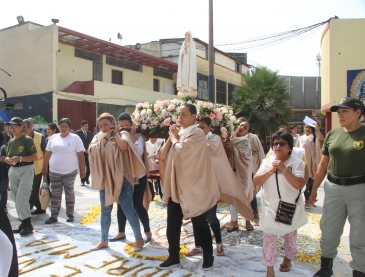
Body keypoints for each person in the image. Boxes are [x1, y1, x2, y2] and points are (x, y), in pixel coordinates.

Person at [158, 104, 219, 270]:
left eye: (184, 114)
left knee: (199, 222)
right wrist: (172, 137)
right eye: (179, 114)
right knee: (173, 223)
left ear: (193, 117)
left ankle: (208, 254)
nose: (181, 117)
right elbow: (162, 155)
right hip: (176, 185)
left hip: (192, 186)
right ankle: (173, 256)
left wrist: (175, 137)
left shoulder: (197, 133)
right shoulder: (178, 133)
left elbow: (182, 152)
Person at [310, 97, 365, 277]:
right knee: (329, 229)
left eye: (345, 111)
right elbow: (323, 165)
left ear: (358, 113)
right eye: (338, 111)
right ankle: (326, 267)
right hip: (333, 188)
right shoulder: (333, 134)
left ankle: (359, 270)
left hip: (359, 189)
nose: (340, 115)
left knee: (360, 235)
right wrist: (313, 190)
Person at [192, 116, 253, 257]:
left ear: (209, 128)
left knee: (211, 217)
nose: (199, 130)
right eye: (197, 127)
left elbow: (208, 153)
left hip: (212, 183)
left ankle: (219, 243)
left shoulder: (214, 139)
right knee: (195, 215)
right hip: (196, 182)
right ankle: (197, 245)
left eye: (202, 127)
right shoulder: (193, 138)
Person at [88, 113, 145, 252]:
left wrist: (115, 134)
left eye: (106, 124)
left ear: (113, 122)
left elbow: (124, 146)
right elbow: (90, 150)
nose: (103, 128)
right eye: (101, 126)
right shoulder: (98, 137)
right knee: (105, 210)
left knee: (128, 208)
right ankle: (104, 240)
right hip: (106, 179)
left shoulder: (122, 134)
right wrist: (103, 139)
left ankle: (139, 238)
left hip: (122, 178)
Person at [253, 131, 307, 277]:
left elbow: (298, 184)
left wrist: (283, 169)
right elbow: (256, 181)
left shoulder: (298, 163)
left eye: (282, 143)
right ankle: (270, 271)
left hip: (289, 208)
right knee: (269, 239)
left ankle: (288, 259)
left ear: (290, 147)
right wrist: (271, 170)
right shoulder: (267, 162)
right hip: (270, 207)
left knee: (290, 237)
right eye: (275, 143)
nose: (278, 146)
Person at [110, 113, 152, 243]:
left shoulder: (139, 136)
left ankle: (147, 232)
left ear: (132, 125)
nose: (123, 128)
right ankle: (121, 232)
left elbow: (138, 151)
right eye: (121, 126)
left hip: (139, 175)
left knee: (137, 205)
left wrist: (131, 136)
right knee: (121, 204)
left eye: (126, 125)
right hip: (124, 175)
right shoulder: (116, 135)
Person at [42, 118, 85, 224]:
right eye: (61, 126)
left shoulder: (75, 138)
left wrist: (83, 171)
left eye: (66, 126)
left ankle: (70, 214)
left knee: (69, 192)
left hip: (70, 171)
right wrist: (44, 167)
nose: (63, 128)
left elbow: (81, 155)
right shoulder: (53, 138)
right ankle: (54, 216)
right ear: (58, 127)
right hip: (54, 171)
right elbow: (47, 153)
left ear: (69, 128)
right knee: (55, 193)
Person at [5, 117, 38, 236]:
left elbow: (35, 156)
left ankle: (28, 224)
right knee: (14, 197)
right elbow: (9, 156)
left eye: (14, 126)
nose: (11, 128)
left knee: (22, 197)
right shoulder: (11, 141)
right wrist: (8, 160)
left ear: (21, 126)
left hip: (26, 169)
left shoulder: (27, 140)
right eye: (10, 126)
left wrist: (19, 158)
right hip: (14, 169)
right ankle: (23, 223)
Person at [225, 119, 254, 232]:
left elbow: (246, 159)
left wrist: (233, 149)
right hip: (233, 173)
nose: (241, 128)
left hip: (243, 176)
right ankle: (235, 223)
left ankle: (248, 221)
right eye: (241, 125)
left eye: (245, 127)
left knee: (244, 198)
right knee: (233, 198)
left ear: (247, 133)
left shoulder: (245, 142)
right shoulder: (231, 139)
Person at [22, 119, 47, 215]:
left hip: (37, 168)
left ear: (31, 127)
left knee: (32, 189)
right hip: (24, 168)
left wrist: (45, 167)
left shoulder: (39, 137)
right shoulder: (21, 137)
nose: (23, 131)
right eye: (22, 129)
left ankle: (27, 210)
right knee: (31, 189)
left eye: (25, 129)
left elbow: (45, 152)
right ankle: (40, 207)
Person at [298, 123, 324, 208]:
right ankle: (307, 199)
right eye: (306, 127)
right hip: (304, 163)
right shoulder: (301, 139)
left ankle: (311, 195)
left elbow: (322, 140)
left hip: (314, 164)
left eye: (309, 127)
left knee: (312, 182)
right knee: (305, 182)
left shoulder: (315, 138)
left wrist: (317, 129)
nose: (307, 129)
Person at [176, 31, 197, 99]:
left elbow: (192, 53)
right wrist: (184, 49)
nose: (186, 36)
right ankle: (184, 87)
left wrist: (187, 49)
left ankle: (189, 88)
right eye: (185, 35)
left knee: (188, 74)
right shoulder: (183, 43)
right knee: (184, 74)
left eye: (188, 35)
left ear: (190, 36)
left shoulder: (192, 44)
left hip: (189, 63)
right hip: (184, 61)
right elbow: (181, 53)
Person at [76, 120, 93, 186]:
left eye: (87, 126)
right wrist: (83, 150)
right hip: (81, 152)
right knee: (82, 166)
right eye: (85, 126)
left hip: (88, 152)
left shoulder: (89, 133)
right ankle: (82, 180)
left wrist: (89, 149)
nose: (87, 127)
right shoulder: (78, 133)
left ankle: (87, 178)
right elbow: (77, 143)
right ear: (81, 126)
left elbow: (91, 142)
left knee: (89, 166)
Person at [0, 137, 10, 214]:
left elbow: (8, 159)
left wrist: (5, 159)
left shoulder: (5, 147)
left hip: (4, 173)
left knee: (3, 190)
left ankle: (3, 206)